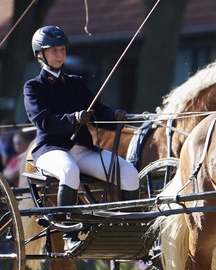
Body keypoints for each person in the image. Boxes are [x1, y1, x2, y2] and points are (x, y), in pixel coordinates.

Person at [23, 25, 140, 248]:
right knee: (69, 171)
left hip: (82, 149)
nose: (60, 55)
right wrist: (74, 118)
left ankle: (129, 229)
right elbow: (44, 121)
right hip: (51, 150)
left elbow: (97, 110)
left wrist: (114, 115)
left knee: (129, 173)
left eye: (62, 50)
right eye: (54, 51)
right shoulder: (33, 87)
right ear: (41, 54)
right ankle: (68, 236)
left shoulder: (76, 82)